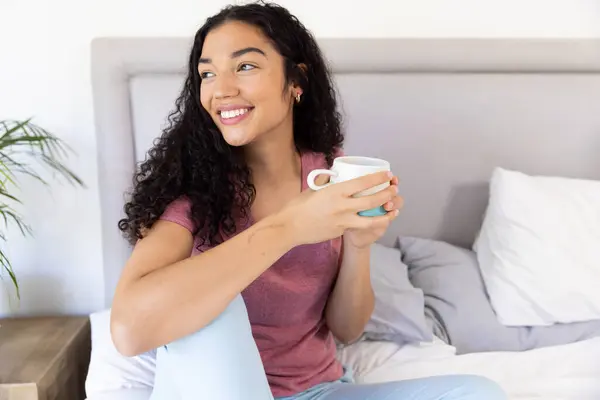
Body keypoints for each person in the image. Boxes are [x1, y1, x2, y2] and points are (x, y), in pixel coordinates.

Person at [110, 2, 508, 399]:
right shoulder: (191, 192)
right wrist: (289, 227)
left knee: (479, 392)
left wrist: (358, 242)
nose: (222, 88)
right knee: (216, 307)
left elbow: (347, 328)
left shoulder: (327, 173)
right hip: (221, 390)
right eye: (208, 73)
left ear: (296, 81)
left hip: (318, 391)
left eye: (245, 66)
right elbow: (128, 331)